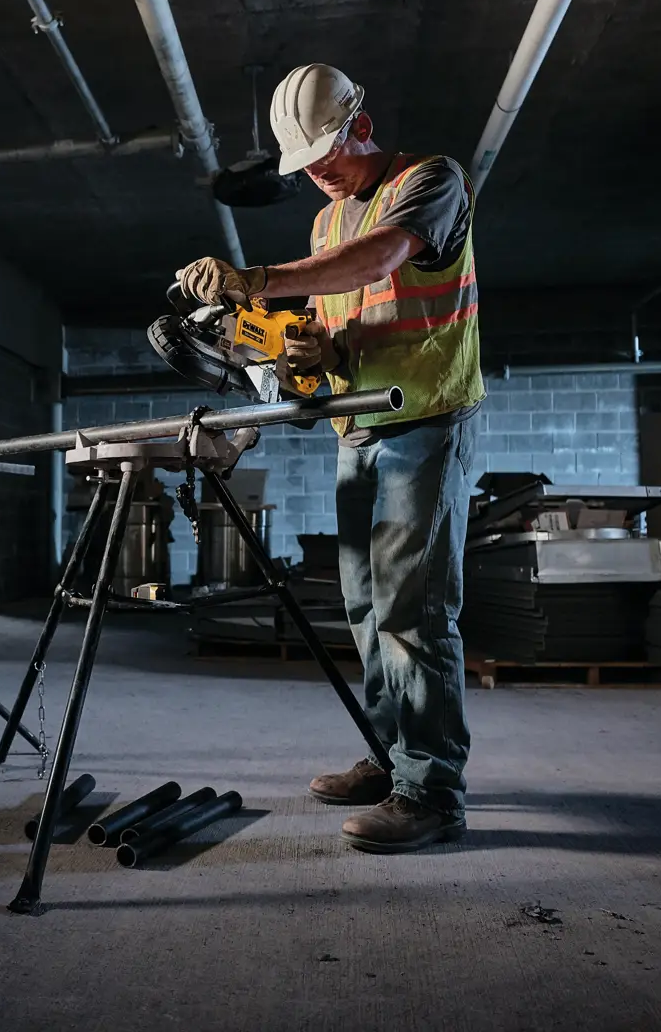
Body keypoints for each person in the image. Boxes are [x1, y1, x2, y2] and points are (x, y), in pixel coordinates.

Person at [174, 63, 482, 853]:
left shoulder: (431, 181)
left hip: (425, 418)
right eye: (304, 165)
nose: (317, 175)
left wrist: (257, 282)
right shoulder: (323, 224)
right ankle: (391, 760)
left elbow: (381, 259)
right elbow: (337, 316)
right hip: (358, 425)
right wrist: (309, 344)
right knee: (367, 610)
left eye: (326, 156)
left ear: (363, 127)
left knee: (414, 609)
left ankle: (433, 790)